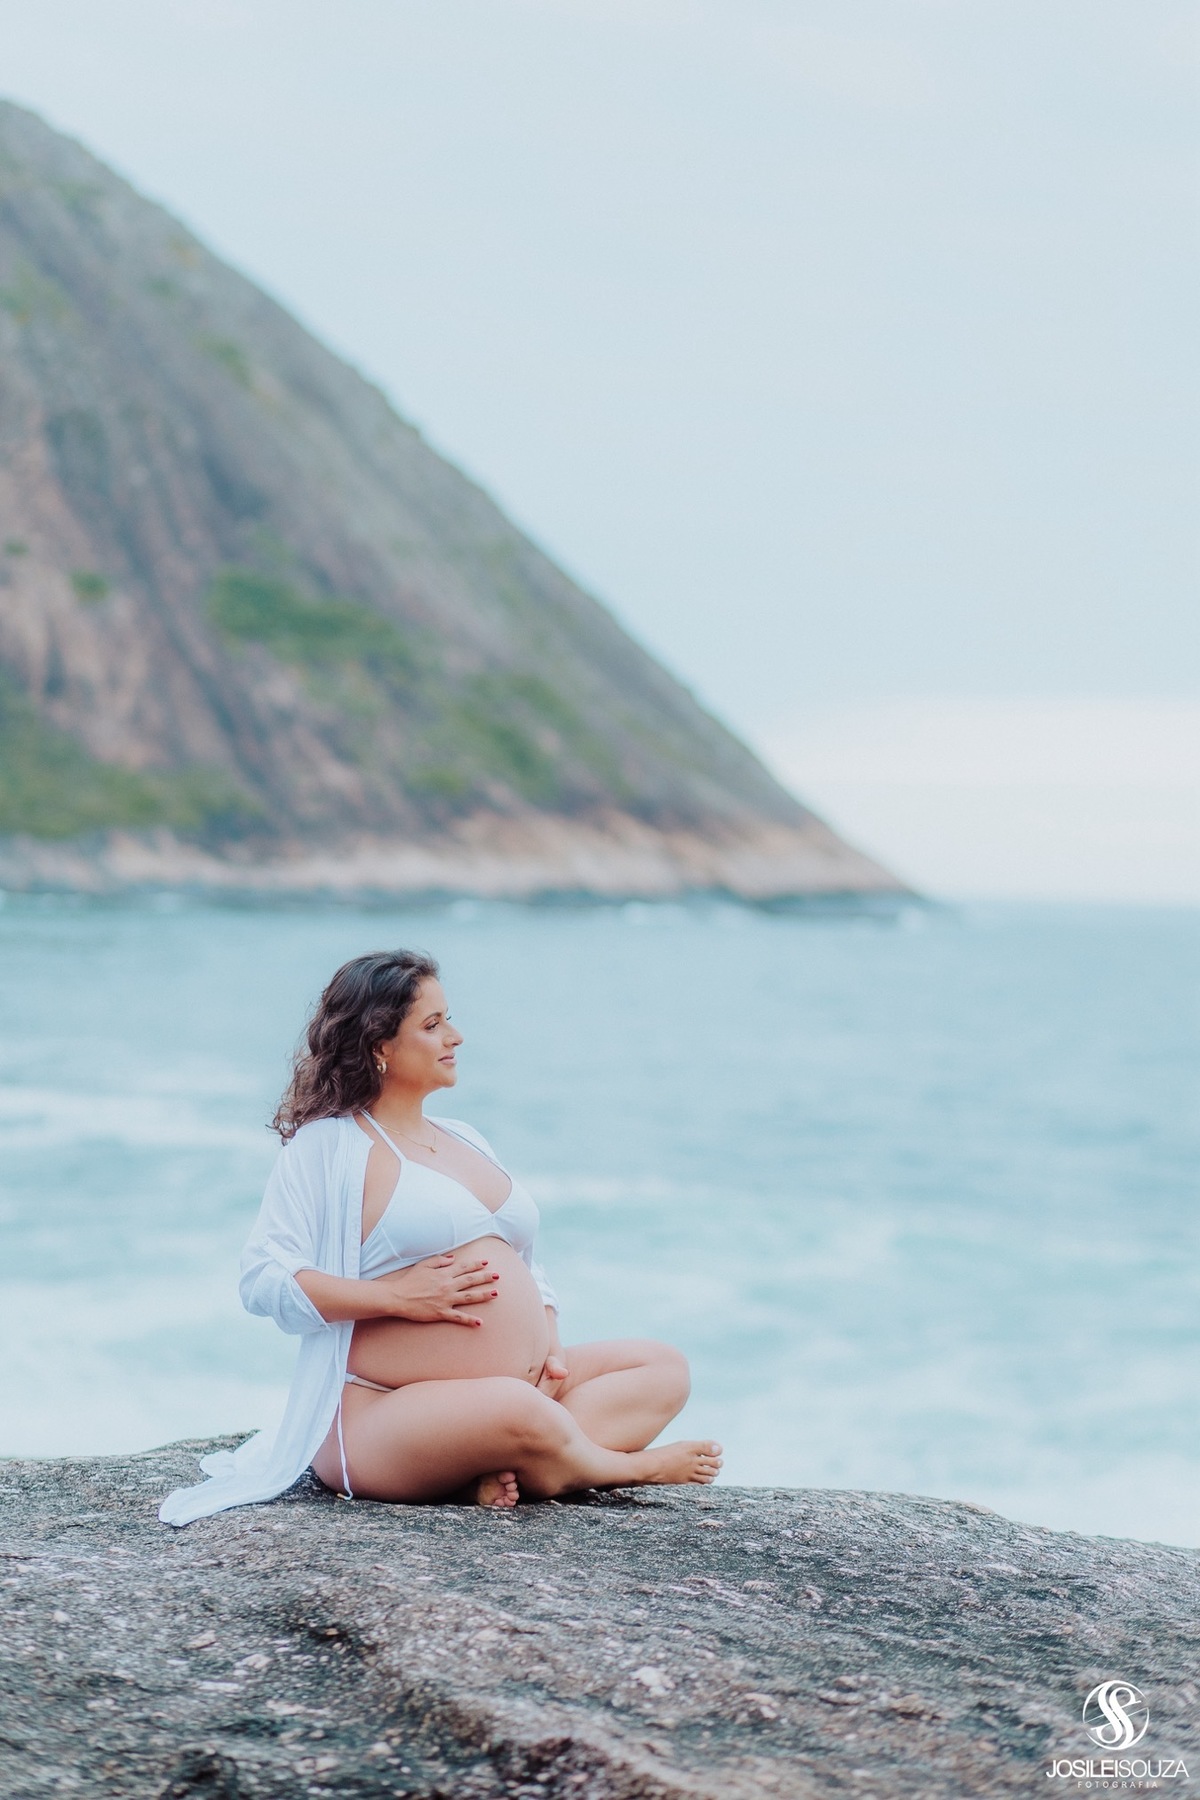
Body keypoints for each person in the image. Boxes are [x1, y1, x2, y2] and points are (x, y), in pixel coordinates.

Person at [159, 948, 721, 1525]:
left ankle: (503, 1465)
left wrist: (548, 1335)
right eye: (432, 1025)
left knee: (662, 1368)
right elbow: (263, 1280)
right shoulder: (327, 1147)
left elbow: (527, 1263)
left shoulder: (465, 1137)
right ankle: (611, 1468)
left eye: (448, 1018)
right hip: (378, 1414)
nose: (455, 1035)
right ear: (380, 1045)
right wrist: (396, 1297)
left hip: (520, 1389)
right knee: (517, 1409)